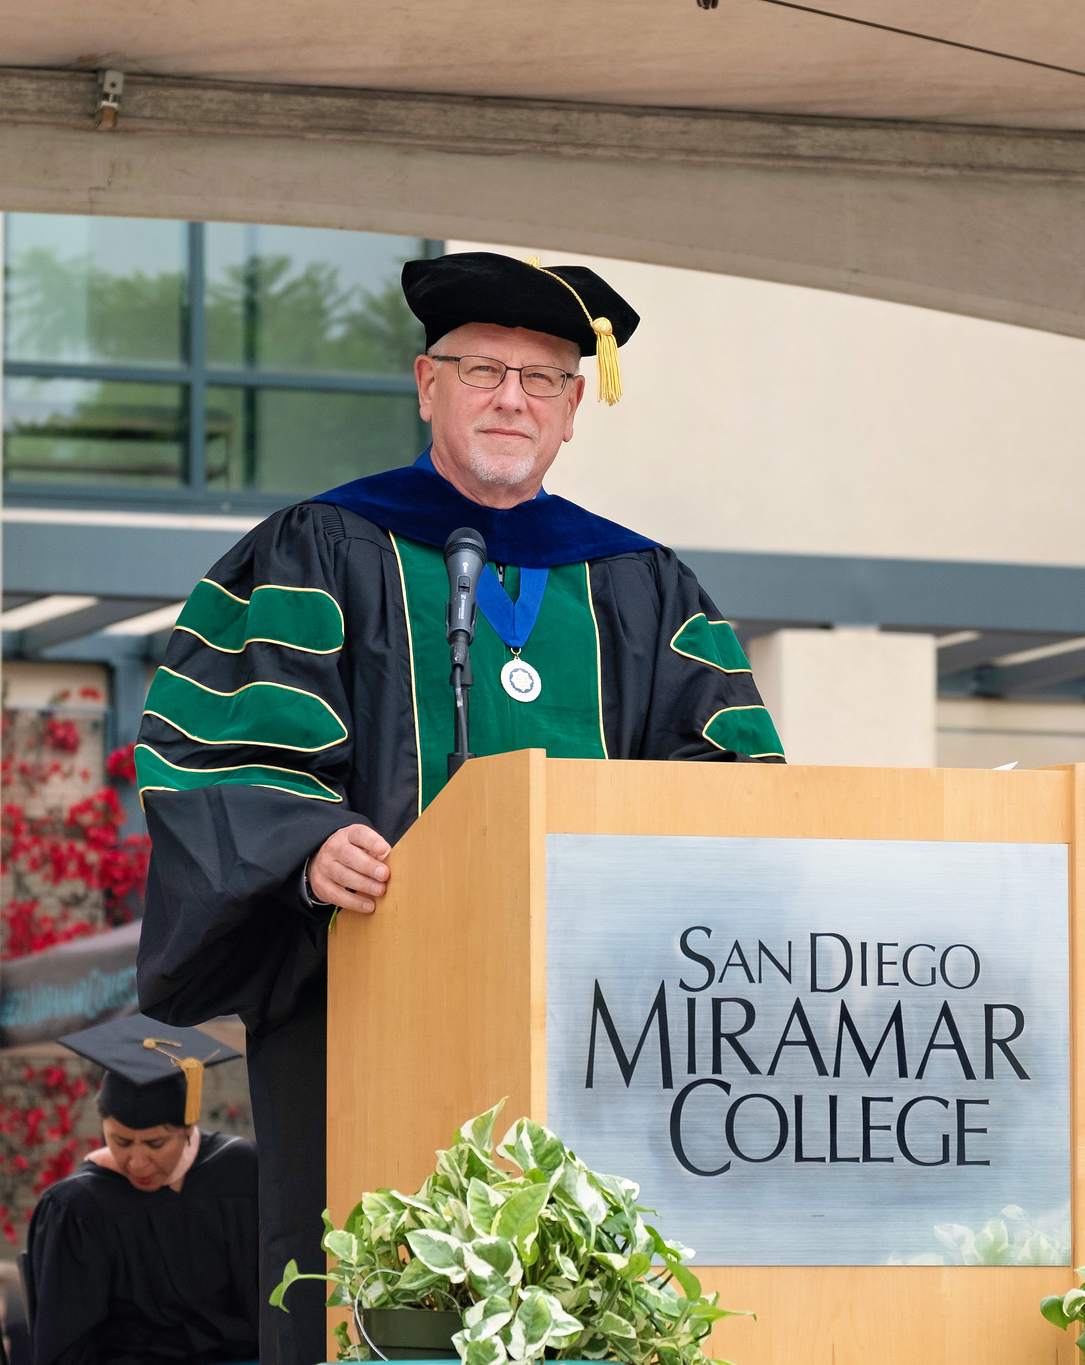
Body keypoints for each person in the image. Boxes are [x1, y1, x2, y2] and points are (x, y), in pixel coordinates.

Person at [132, 251, 785, 1365]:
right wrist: (305, 844)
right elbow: (221, 749)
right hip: (366, 986)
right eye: (482, 370)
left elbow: (731, 783)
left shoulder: (643, 583)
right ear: (425, 384)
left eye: (541, 379)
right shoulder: (322, 548)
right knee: (361, 1266)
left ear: (576, 410)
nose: (510, 400)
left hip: (601, 1015)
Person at [25, 1014, 261, 1365]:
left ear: (188, 1126)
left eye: (156, 1143)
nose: (136, 1162)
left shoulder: (240, 1172)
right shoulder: (77, 1208)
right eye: (120, 1141)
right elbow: (65, 1353)